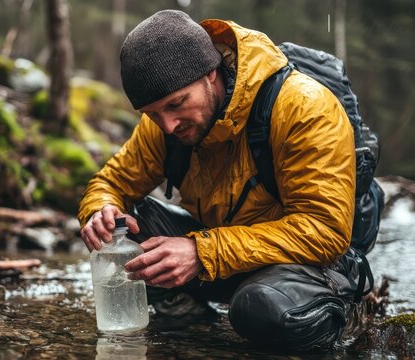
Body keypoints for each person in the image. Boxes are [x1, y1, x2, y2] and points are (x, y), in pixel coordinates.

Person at [78, 9, 370, 350]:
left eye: (178, 104)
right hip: (224, 260)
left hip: (305, 265)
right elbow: (111, 181)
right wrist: (101, 210)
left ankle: (345, 316)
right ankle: (189, 318)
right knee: (132, 231)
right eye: (153, 114)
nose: (168, 125)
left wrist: (202, 252)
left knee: (261, 308)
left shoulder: (304, 107)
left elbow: (325, 231)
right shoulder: (164, 125)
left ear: (211, 74)